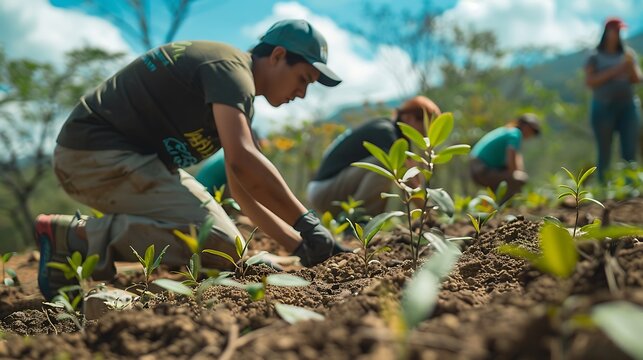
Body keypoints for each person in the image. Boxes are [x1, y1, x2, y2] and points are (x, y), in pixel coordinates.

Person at [35, 19, 347, 301]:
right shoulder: (231, 70)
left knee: (226, 248)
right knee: (216, 242)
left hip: (131, 160)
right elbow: (243, 161)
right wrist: (307, 223)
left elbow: (242, 191)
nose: (302, 93)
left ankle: (70, 252)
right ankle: (72, 236)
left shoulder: (234, 93)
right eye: (303, 78)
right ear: (278, 56)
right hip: (91, 155)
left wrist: (301, 246)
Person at [307, 96, 441, 218]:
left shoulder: (399, 139)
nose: (425, 134)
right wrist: (430, 214)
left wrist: (428, 211)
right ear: (408, 118)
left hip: (331, 188)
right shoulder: (385, 132)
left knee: (392, 165)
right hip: (323, 191)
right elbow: (409, 181)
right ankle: (360, 221)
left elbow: (413, 179)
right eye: (424, 127)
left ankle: (361, 222)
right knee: (388, 165)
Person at [584, 17, 642, 183]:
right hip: (603, 107)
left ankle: (630, 186)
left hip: (628, 106)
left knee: (629, 149)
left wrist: (630, 67)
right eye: (615, 30)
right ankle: (603, 186)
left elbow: (637, 78)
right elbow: (590, 81)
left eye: (619, 31)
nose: (617, 34)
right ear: (607, 32)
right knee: (604, 150)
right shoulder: (594, 56)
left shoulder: (628, 54)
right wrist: (617, 70)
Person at [469, 114, 541, 204]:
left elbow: (517, 157)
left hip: (479, 167)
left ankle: (494, 207)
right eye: (532, 130)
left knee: (514, 179)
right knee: (517, 180)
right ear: (525, 126)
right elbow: (512, 162)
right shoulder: (515, 133)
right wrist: (517, 176)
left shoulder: (509, 131)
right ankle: (504, 210)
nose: (531, 134)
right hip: (481, 168)